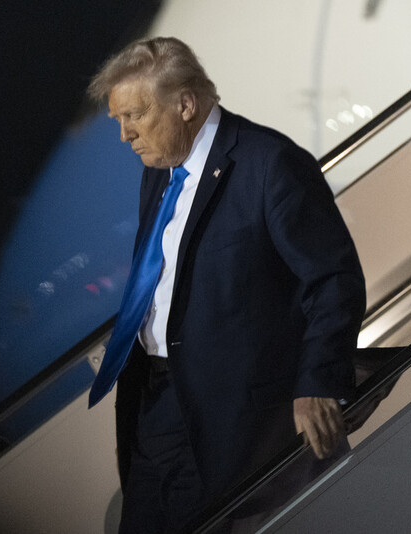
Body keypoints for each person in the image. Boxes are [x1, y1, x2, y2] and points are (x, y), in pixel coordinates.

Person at [86, 37, 366, 533]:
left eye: (135, 115)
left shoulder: (269, 163)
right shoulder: (159, 171)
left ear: (186, 104)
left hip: (228, 415)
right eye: (119, 121)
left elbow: (333, 279)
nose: (125, 135)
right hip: (153, 407)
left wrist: (318, 381)